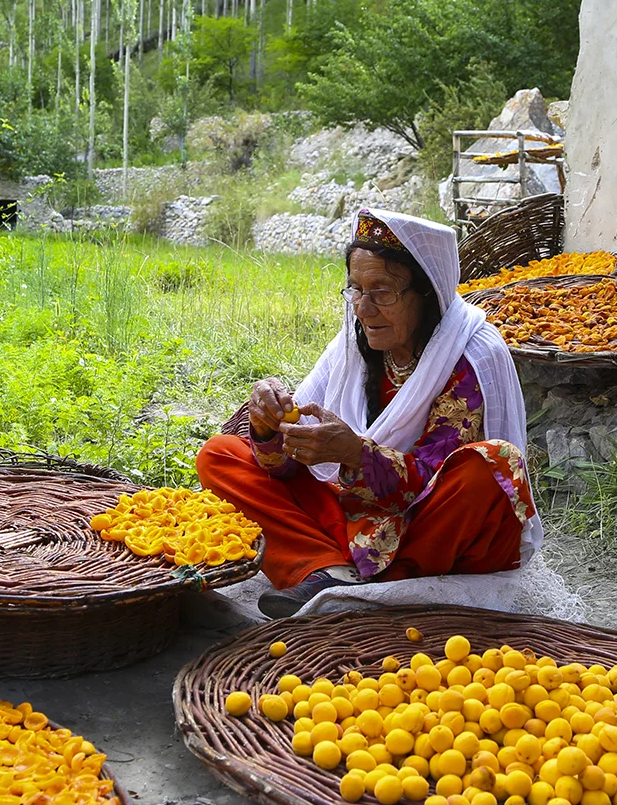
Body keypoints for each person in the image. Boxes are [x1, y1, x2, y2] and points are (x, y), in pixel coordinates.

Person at [196, 208, 542, 618]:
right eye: (356, 289)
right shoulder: (354, 343)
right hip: (356, 504)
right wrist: (268, 424)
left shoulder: (468, 356)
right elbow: (287, 464)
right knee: (220, 455)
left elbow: (430, 481)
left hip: (430, 525)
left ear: (428, 293)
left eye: (382, 292)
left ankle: (376, 584)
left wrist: (356, 455)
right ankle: (328, 571)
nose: (363, 308)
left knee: (491, 465)